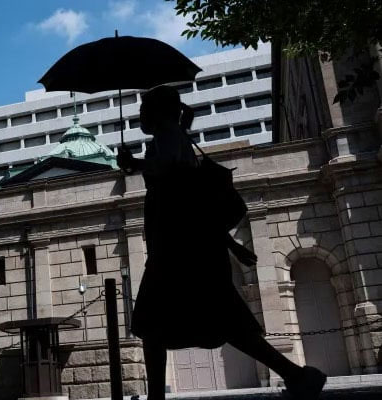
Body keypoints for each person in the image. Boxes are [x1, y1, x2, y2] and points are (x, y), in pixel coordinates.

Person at [117, 85, 326, 400]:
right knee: (214, 323)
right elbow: (194, 204)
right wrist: (231, 245)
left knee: (155, 322)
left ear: (157, 113)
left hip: (180, 254)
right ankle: (297, 375)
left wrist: (136, 164)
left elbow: (179, 189)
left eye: (143, 111)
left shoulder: (169, 138)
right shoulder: (170, 137)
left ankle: (297, 375)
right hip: (186, 250)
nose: (139, 117)